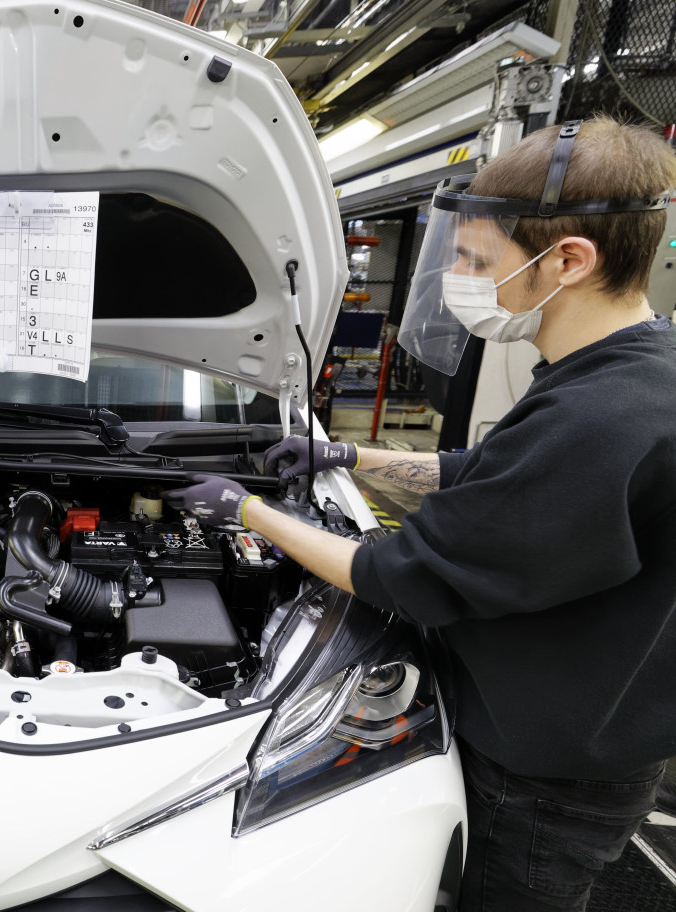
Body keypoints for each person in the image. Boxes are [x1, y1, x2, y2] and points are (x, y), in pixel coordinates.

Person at [167, 116, 676, 911]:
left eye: (478, 260)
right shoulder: (631, 370)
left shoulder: (602, 417)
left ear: (570, 260)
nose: (460, 277)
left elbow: (393, 577)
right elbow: (492, 478)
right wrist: (351, 457)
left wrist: (248, 512)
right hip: (569, 733)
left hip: (541, 778)